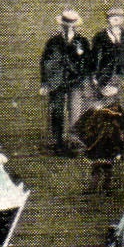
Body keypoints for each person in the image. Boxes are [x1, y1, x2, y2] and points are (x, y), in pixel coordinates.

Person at [39, 10, 91, 155]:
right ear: (62, 25)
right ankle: (57, 141)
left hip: (75, 81)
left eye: (72, 25)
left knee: (75, 110)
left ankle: (74, 141)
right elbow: (45, 62)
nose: (69, 27)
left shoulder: (82, 41)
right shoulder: (53, 42)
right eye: (66, 25)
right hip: (57, 81)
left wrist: (83, 77)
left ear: (76, 26)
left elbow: (87, 62)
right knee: (57, 110)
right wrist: (44, 83)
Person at [74, 87, 124, 192]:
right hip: (98, 144)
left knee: (107, 165)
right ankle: (94, 185)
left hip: (111, 144)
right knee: (96, 165)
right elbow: (82, 125)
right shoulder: (96, 111)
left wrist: (122, 141)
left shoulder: (119, 113)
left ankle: (106, 184)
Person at [90, 7, 124, 102]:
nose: (116, 19)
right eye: (112, 16)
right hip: (106, 78)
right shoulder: (100, 37)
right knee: (108, 109)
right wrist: (95, 77)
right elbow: (94, 59)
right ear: (107, 19)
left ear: (123, 19)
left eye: (119, 16)